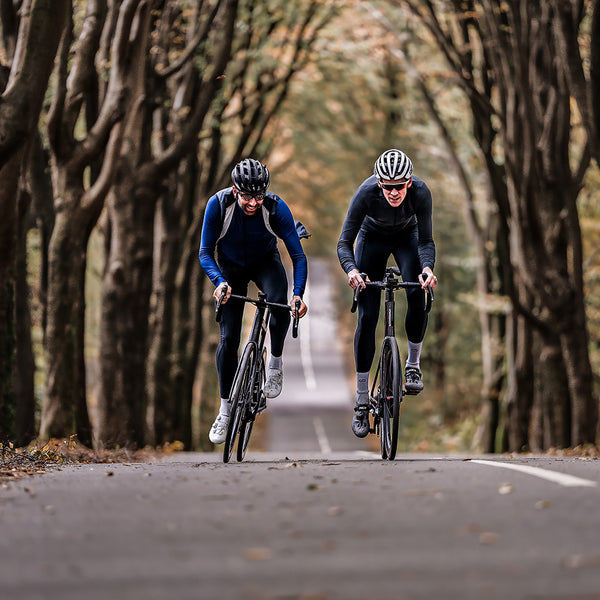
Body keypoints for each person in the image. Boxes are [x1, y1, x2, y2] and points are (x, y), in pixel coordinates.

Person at [199, 158, 308, 444]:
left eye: (258, 196)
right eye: (247, 196)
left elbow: (297, 256)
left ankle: (274, 364)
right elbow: (205, 252)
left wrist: (298, 295)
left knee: (278, 302)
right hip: (230, 269)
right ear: (235, 191)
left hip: (265, 263)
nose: (252, 203)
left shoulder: (275, 207)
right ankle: (224, 411)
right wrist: (219, 281)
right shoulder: (219, 205)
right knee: (229, 339)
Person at [337, 148, 438, 438]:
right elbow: (344, 242)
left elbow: (427, 241)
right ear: (379, 183)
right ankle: (360, 401)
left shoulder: (421, 192)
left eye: (399, 186)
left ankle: (413, 366)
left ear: (409, 182)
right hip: (372, 239)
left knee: (418, 290)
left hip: (409, 237)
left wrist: (428, 269)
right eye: (387, 187)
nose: (393, 193)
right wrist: (352, 271)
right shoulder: (366, 193)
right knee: (368, 316)